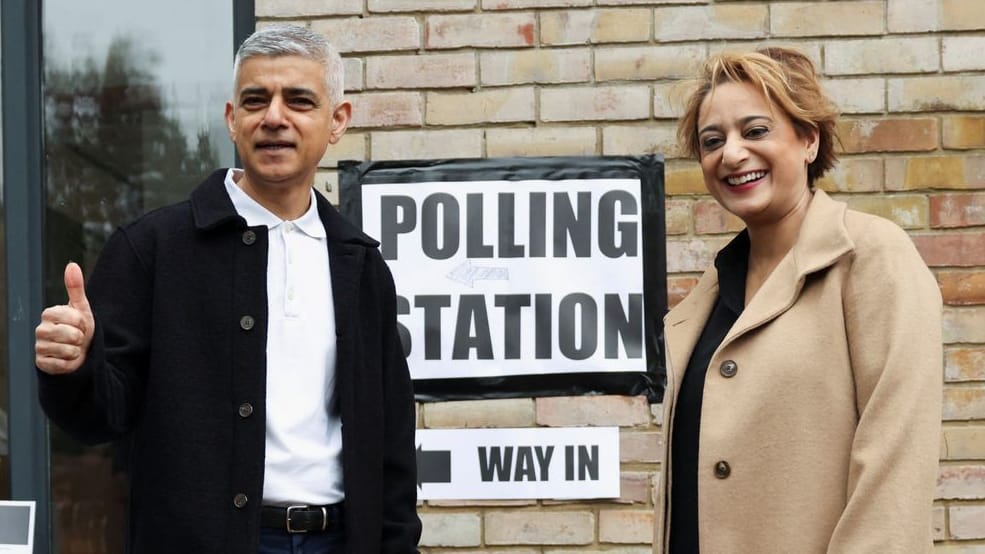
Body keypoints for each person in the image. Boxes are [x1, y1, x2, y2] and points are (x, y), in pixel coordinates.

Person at [34, 24, 421, 554]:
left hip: (338, 540)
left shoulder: (359, 265)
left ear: (337, 121)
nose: (274, 118)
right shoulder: (152, 248)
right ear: (231, 119)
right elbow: (103, 417)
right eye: (255, 100)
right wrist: (75, 365)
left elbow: (391, 439)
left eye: (299, 100)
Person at [653, 47, 942, 553]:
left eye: (756, 130)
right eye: (712, 141)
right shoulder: (711, 295)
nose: (732, 153)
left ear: (809, 140)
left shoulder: (869, 257)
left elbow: (895, 468)